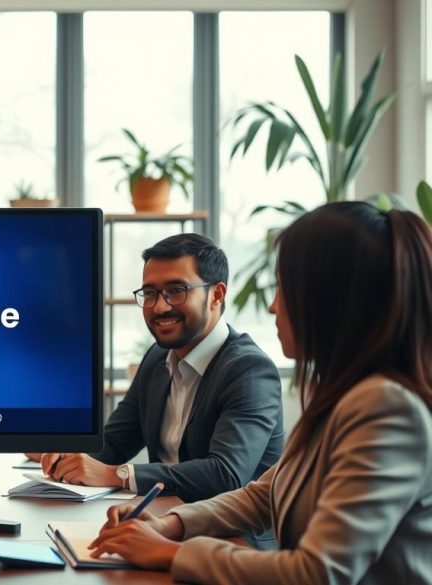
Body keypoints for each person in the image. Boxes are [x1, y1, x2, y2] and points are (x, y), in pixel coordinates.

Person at [90, 202, 432, 584]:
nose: (272, 306)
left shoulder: (387, 409)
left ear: (330, 302)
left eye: (283, 288)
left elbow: (318, 573)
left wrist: (171, 552)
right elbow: (263, 495)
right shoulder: (341, 396)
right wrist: (169, 523)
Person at [30, 234, 284, 506]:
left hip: (230, 538)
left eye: (176, 290)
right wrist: (69, 454)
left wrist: (116, 475)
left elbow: (225, 474)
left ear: (217, 294)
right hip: (158, 520)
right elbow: (116, 442)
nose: (160, 307)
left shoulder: (250, 370)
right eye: (150, 293)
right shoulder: (157, 357)